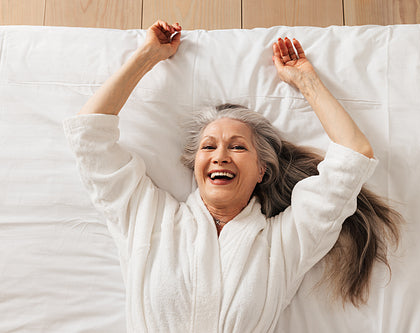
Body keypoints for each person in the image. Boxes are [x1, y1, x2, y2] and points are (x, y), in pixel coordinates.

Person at [63, 20, 401, 332]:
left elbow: (353, 155)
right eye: (208, 147)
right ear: (194, 165)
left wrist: (305, 80)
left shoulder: (284, 243)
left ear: (262, 171)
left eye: (238, 148)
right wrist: (148, 56)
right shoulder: (147, 217)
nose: (220, 156)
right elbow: (90, 135)